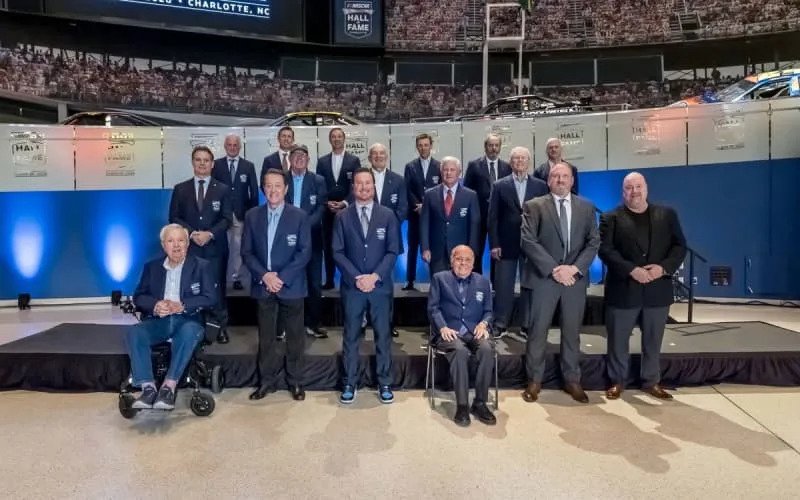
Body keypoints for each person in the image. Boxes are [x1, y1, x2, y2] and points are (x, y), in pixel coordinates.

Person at [599, 172, 687, 400]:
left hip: (657, 290)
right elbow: (606, 250)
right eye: (629, 187)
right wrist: (632, 270)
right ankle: (618, 381)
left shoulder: (667, 215)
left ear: (646, 189)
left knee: (653, 340)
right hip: (624, 289)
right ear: (623, 192)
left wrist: (663, 268)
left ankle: (651, 381)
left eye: (638, 186)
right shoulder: (610, 217)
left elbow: (679, 247)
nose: (634, 191)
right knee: (618, 340)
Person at [520, 163, 599, 404]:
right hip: (544, 279)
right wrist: (554, 269)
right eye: (556, 176)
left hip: (574, 280)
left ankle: (572, 380)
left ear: (572, 180)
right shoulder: (534, 206)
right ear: (548, 180)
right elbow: (527, 240)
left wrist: (574, 269)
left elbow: (593, 241)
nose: (561, 180)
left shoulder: (586, 207)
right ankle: (534, 381)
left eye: (565, 176)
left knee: (572, 332)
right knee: (537, 332)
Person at [125, 223, 217, 410]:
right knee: (134, 333)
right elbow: (139, 297)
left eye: (181, 240)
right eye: (171, 241)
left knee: (189, 331)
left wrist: (182, 305)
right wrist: (155, 305)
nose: (176, 245)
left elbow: (210, 297)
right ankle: (148, 387)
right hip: (160, 321)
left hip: (188, 320)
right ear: (163, 245)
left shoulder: (202, 266)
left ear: (187, 244)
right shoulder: (152, 267)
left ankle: (168, 387)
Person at [242, 169, 312, 401]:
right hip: (263, 285)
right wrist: (265, 276)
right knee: (266, 338)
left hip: (291, 286)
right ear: (263, 189)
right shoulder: (252, 216)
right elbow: (247, 252)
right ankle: (267, 382)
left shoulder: (300, 216)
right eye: (268, 186)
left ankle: (295, 382)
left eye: (278, 186)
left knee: (295, 337)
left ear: (286, 189)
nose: (273, 190)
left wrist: (281, 277)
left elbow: (304, 252)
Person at [333, 168, 400, 404]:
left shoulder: (388, 215)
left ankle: (384, 382)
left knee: (383, 336)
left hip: (380, 287)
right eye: (359, 184)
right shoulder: (342, 217)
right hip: (353, 288)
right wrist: (357, 278)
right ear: (353, 188)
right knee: (351, 336)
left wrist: (375, 277)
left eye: (368, 184)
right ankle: (350, 382)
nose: (363, 188)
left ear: (373, 186)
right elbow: (338, 252)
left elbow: (393, 251)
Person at [169, 145, 232, 343]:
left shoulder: (222, 189)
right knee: (191, 288)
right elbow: (174, 217)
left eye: (206, 160)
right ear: (193, 163)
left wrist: (210, 234)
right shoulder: (181, 189)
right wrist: (191, 233)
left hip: (215, 248)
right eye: (198, 159)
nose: (202, 163)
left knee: (216, 288)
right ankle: (192, 328)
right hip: (190, 248)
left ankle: (219, 328)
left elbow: (226, 219)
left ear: (212, 164)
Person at [428, 245, 496, 427]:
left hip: (474, 331)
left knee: (487, 349)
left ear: (473, 263)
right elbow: (433, 308)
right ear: (452, 261)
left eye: (467, 260)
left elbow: (489, 311)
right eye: (459, 259)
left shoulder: (483, 282)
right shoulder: (439, 279)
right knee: (459, 351)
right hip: (449, 333)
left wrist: (484, 323)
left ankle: (480, 403)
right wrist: (442, 327)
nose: (463, 263)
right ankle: (463, 405)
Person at [487, 146, 548, 339]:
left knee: (530, 286)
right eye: (515, 159)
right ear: (510, 163)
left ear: (529, 162)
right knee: (503, 286)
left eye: (523, 159)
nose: (519, 162)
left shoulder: (540, 186)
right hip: (506, 243)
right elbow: (493, 217)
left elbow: (546, 217)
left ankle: (527, 324)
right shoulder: (499, 185)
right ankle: (500, 323)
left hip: (533, 245)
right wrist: (494, 243)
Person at [285, 144, 329, 339]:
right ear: (289, 159)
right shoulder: (281, 179)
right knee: (287, 280)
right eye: (296, 155)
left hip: (312, 238)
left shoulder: (318, 180)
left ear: (308, 160)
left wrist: (303, 228)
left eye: (303, 155)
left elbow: (321, 207)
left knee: (313, 282)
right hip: (284, 240)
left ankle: (313, 324)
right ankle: (285, 326)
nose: (300, 158)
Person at [366, 142, 407, 337]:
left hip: (389, 240)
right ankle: (366, 321)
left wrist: (385, 226)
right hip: (365, 240)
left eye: (382, 154)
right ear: (369, 158)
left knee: (386, 283)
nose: (379, 157)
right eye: (375, 154)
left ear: (387, 157)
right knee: (365, 280)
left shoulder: (398, 180)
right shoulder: (362, 179)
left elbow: (402, 209)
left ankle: (388, 324)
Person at [211, 133, 258, 291]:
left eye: (235, 145)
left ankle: (236, 278)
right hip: (220, 215)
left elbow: (254, 192)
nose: (232, 148)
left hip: (241, 214)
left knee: (238, 248)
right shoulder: (216, 165)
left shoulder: (248, 166)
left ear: (240, 147)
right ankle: (220, 277)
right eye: (229, 145)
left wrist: (253, 215)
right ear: (225, 147)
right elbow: (212, 189)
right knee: (222, 246)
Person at [317, 127, 362, 289]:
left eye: (339, 136)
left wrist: (344, 203)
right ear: (330, 140)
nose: (336, 139)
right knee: (328, 245)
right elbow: (319, 186)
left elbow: (356, 186)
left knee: (348, 245)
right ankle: (329, 280)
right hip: (328, 210)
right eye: (333, 137)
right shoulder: (322, 161)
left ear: (344, 139)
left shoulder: (354, 161)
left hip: (347, 210)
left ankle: (349, 279)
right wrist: (325, 202)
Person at [420, 156, 480, 275]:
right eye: (445, 170)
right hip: (437, 252)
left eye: (452, 170)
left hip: (462, 253)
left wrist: (471, 251)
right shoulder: (429, 195)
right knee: (439, 287)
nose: (448, 173)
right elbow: (424, 223)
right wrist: (425, 248)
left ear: (459, 172)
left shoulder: (470, 196)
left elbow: (474, 225)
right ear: (441, 172)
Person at [464, 133, 511, 275]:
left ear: (500, 147)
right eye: (491, 145)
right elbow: (466, 190)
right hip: (479, 216)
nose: (494, 148)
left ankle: (495, 283)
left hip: (499, 218)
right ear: (485, 147)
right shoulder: (474, 165)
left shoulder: (507, 167)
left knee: (496, 250)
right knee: (476, 250)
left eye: (497, 145)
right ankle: (476, 281)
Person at [403, 133, 441, 290]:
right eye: (420, 145)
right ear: (417, 147)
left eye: (426, 145)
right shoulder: (410, 166)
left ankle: (435, 280)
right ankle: (410, 281)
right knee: (412, 247)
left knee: (433, 247)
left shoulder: (439, 166)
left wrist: (427, 206)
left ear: (431, 146)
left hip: (433, 216)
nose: (423, 148)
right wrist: (417, 205)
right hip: (415, 214)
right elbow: (407, 189)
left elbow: (441, 189)